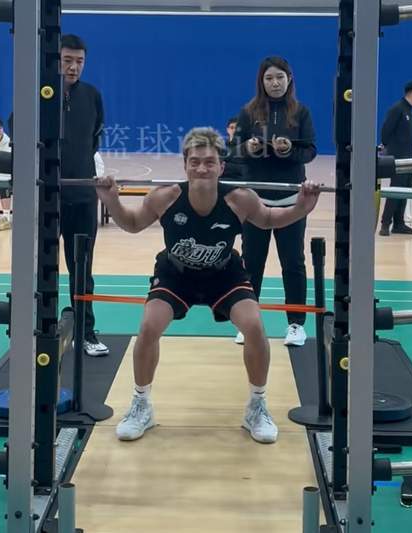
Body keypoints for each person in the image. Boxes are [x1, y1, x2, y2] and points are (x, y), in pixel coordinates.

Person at [95, 127, 320, 444]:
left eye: (209, 162)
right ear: (185, 165)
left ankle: (256, 407)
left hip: (224, 273)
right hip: (176, 273)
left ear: (221, 166)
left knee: (254, 326)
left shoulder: (239, 199)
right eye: (195, 162)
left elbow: (269, 219)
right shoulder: (165, 197)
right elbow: (132, 224)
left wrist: (301, 208)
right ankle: (141, 405)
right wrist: (111, 201)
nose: (202, 168)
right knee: (148, 327)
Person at [233, 56, 317, 347]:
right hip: (255, 201)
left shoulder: (301, 112)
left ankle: (296, 324)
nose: (275, 83)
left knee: (293, 262)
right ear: (261, 81)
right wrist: (249, 147)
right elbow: (234, 151)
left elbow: (310, 151)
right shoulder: (248, 112)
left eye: (280, 77)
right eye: (269, 78)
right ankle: (248, 323)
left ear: (289, 79)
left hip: (291, 201)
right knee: (251, 262)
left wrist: (289, 149)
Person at [59, 34, 108, 356]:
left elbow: (94, 139)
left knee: (82, 269)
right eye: (67, 60)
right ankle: (39, 331)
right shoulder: (38, 93)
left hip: (83, 196)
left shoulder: (92, 95)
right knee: (39, 269)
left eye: (79, 61)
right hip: (47, 197)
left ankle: (85, 332)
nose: (73, 67)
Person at [378, 80, 412, 236]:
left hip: (409, 159)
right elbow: (385, 131)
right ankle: (385, 223)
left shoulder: (409, 111)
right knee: (395, 190)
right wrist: (389, 149)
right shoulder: (397, 109)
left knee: (405, 191)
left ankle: (399, 223)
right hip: (398, 159)